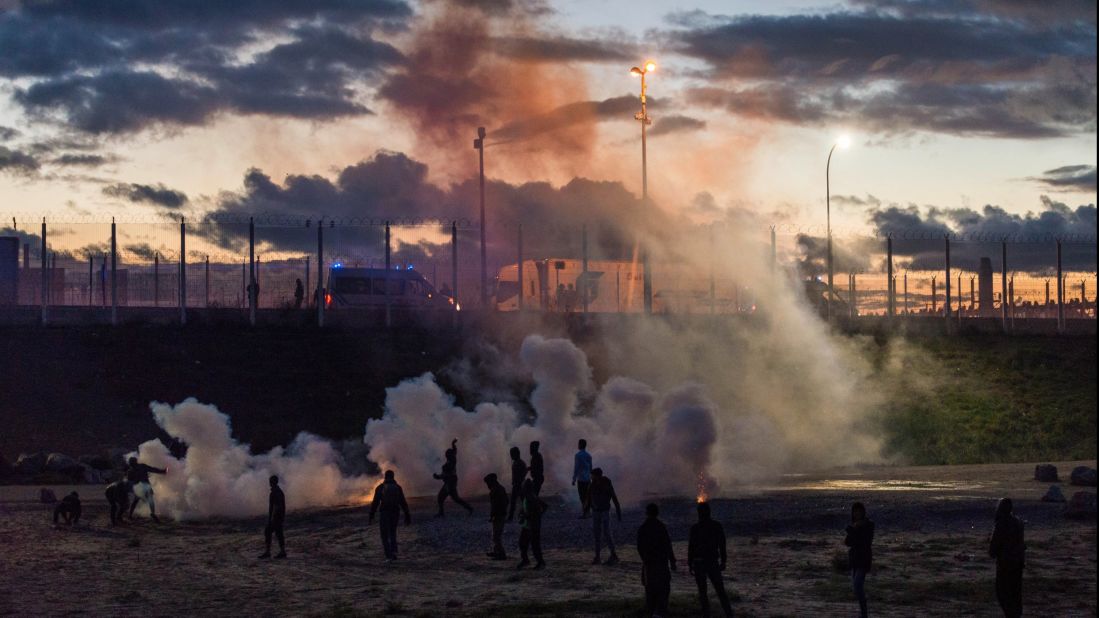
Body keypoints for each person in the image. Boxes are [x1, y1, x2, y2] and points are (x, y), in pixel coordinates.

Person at [688, 502, 733, 617]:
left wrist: (690, 563)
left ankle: (706, 614)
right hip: (712, 561)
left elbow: (691, 547)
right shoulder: (716, 526)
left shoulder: (695, 528)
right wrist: (723, 560)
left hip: (699, 563)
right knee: (720, 590)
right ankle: (729, 614)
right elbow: (722, 544)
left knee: (703, 592)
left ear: (699, 513)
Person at [637, 503, 676, 617]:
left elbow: (640, 547)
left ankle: (652, 611)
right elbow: (668, 544)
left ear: (647, 513)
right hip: (661, 563)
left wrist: (645, 559)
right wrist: (672, 561)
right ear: (657, 513)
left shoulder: (643, 528)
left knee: (650, 590)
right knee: (663, 589)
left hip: (649, 564)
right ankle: (660, 611)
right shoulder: (661, 526)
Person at [989, 498, 1025, 618]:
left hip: (1005, 564)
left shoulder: (1001, 523)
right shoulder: (1018, 522)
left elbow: (993, 548)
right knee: (1015, 592)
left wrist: (992, 551)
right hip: (1018, 562)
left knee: (1003, 593)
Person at [369, 470, 412, 562]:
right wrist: (407, 515)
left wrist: (371, 515)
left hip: (385, 513)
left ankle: (389, 556)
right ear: (393, 476)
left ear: (385, 477)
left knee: (384, 535)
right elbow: (403, 502)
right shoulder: (398, 487)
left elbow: (375, 502)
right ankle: (394, 551)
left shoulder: (380, 487)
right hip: (395, 512)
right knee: (392, 532)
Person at [844, 501, 875, 618]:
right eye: (855, 511)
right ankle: (863, 613)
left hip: (864, 558)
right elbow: (847, 542)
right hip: (854, 559)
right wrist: (853, 529)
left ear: (863, 512)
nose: (857, 513)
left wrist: (853, 530)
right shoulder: (854, 525)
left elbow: (865, 541)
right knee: (856, 588)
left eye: (859, 511)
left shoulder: (869, 524)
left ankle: (864, 614)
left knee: (857, 585)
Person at [586, 467, 621, 565]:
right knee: (597, 534)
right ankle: (597, 557)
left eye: (592, 475)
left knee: (606, 533)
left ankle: (613, 555)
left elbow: (613, 497)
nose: (591, 477)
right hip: (596, 512)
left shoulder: (606, 484)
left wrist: (618, 512)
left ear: (597, 475)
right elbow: (588, 499)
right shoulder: (592, 485)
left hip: (604, 511)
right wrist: (587, 510)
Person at [433, 439, 473, 517]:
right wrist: (453, 444)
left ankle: (469, 508)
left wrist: (438, 477)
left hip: (450, 483)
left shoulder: (451, 462)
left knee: (444, 497)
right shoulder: (450, 462)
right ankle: (469, 508)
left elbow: (446, 474)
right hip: (450, 482)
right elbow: (454, 452)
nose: (446, 455)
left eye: (447, 453)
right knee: (452, 498)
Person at [516, 479, 547, 570]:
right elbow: (544, 507)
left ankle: (540, 562)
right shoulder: (529, 497)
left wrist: (529, 516)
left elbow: (540, 508)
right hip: (528, 525)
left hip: (532, 526)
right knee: (523, 543)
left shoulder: (531, 498)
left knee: (534, 545)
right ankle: (526, 560)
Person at [126, 456, 166, 522]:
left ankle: (130, 515)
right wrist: (163, 471)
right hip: (146, 486)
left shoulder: (130, 470)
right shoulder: (142, 466)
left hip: (139, 487)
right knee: (150, 500)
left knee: (135, 501)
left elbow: (130, 480)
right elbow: (153, 469)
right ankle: (152, 513)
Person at [259, 475, 286, 559]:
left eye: (270, 481)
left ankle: (270, 552)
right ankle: (280, 551)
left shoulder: (276, 492)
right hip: (278, 516)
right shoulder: (276, 491)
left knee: (271, 532)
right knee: (277, 533)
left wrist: (273, 518)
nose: (269, 483)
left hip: (277, 517)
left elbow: (277, 506)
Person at [484, 473, 508, 560]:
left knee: (496, 535)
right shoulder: (500, 488)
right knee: (495, 534)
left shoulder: (495, 490)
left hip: (499, 515)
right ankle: (496, 551)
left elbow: (495, 505)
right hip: (500, 514)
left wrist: (493, 515)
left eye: (488, 483)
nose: (487, 485)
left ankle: (501, 554)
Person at [573, 439, 593, 518]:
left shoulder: (578, 455)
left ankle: (585, 513)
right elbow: (591, 467)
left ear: (581, 445)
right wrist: (592, 477)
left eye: (578, 444)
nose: (578, 445)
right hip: (587, 479)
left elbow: (576, 468)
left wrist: (574, 479)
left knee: (582, 496)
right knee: (587, 495)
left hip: (581, 479)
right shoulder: (588, 455)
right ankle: (588, 512)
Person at [507, 446, 528, 522]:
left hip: (519, 485)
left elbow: (523, 473)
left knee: (521, 501)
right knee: (517, 501)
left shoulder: (520, 463)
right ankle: (512, 517)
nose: (511, 456)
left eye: (512, 454)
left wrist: (519, 481)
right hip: (517, 484)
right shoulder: (517, 462)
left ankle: (513, 517)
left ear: (516, 454)